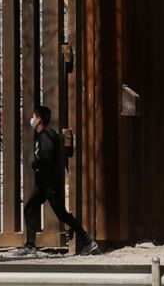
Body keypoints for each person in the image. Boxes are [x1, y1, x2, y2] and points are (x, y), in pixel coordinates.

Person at [17, 105, 100, 255]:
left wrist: (36, 164)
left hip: (48, 184)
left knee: (61, 214)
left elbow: (47, 158)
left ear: (39, 120)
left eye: (34, 117)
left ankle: (88, 241)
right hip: (44, 185)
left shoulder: (46, 137)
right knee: (31, 209)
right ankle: (30, 245)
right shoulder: (45, 136)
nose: (32, 119)